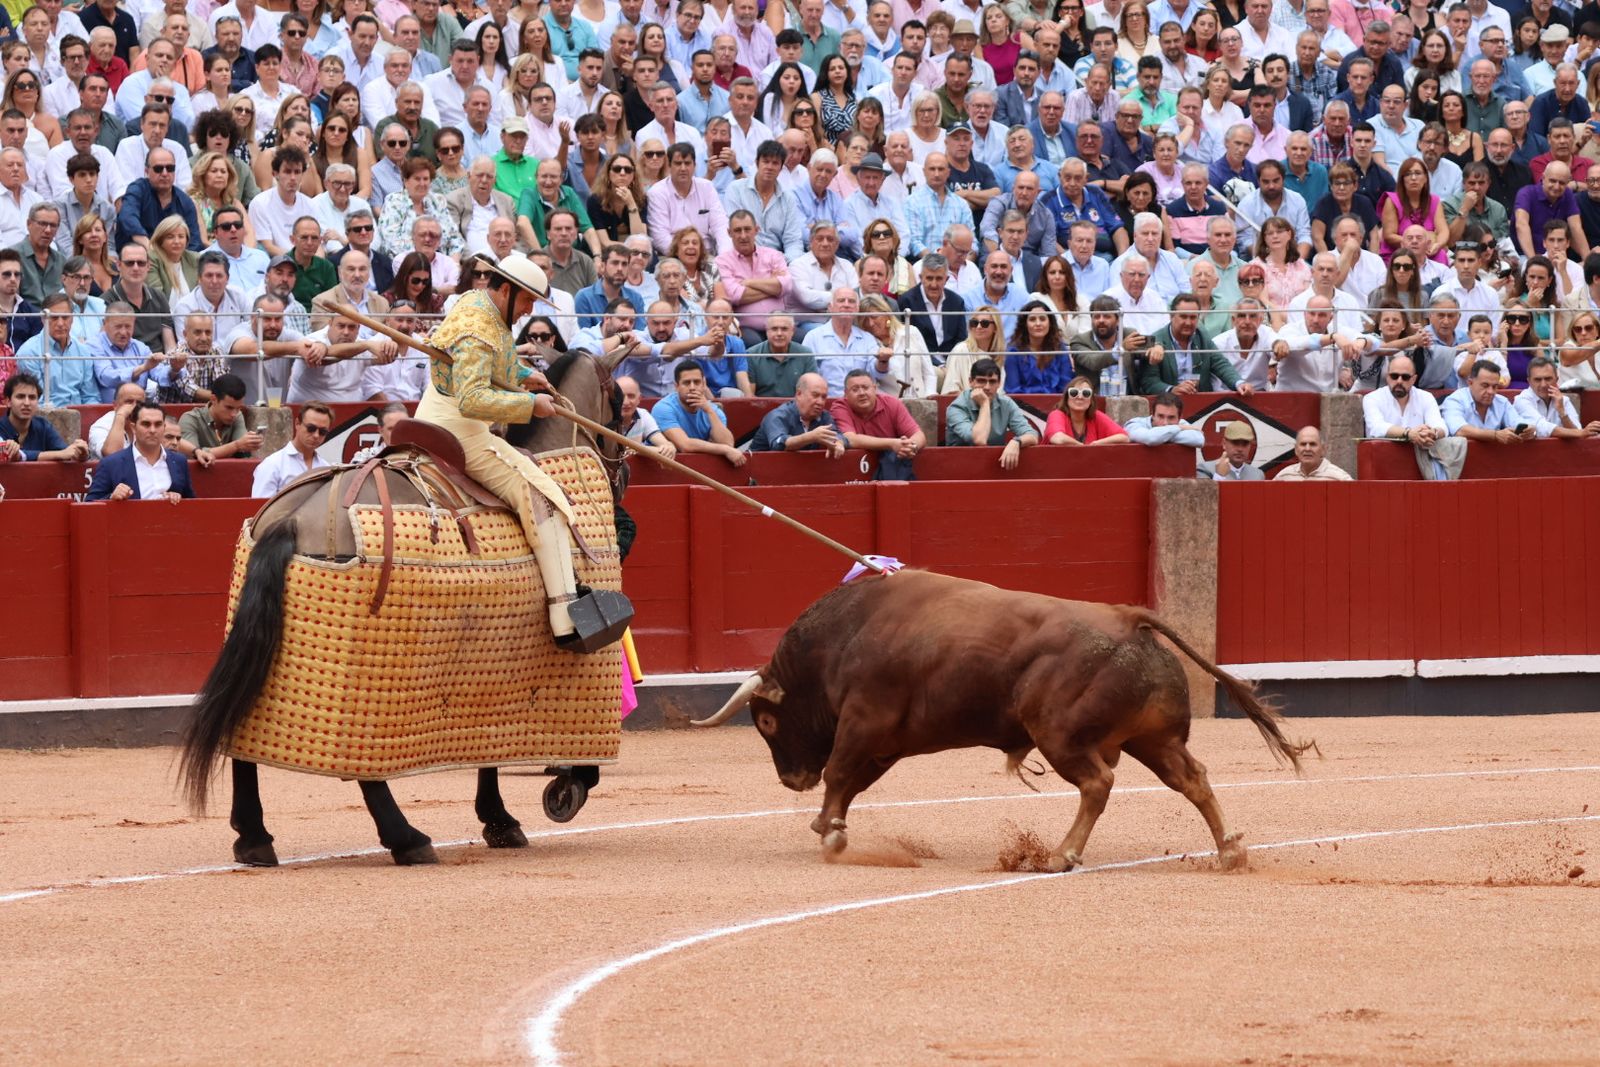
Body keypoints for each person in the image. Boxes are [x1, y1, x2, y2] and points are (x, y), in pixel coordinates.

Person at [417, 251, 633, 650]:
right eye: (529, 300)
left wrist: (522, 374)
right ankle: (564, 618)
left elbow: (491, 365)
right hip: (460, 430)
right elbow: (472, 399)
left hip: (437, 413)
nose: (529, 311)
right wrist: (530, 406)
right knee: (542, 496)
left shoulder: (477, 302)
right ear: (505, 290)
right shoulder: (478, 329)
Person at [1137, 293, 1253, 394]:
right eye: (1183, 316)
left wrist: (1239, 383)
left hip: (1199, 402)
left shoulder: (1201, 335)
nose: (1188, 322)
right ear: (1171, 316)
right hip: (1168, 403)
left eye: (1193, 317)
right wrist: (1172, 390)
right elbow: (1149, 381)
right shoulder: (1157, 340)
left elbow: (1220, 363)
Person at [85, 400, 193, 503]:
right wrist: (111, 498)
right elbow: (90, 504)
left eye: (158, 424)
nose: (152, 430)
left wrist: (178, 499)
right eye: (146, 424)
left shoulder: (179, 461)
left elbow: (191, 503)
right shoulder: (111, 464)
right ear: (133, 428)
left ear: (164, 428)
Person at [828, 367, 925, 478]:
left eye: (866, 388)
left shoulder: (892, 404)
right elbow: (850, 439)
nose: (862, 393)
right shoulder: (840, 407)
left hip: (892, 470)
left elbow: (919, 435)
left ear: (875, 389)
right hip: (852, 472)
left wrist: (911, 447)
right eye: (855, 389)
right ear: (845, 394)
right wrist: (892, 444)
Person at [944, 357, 1038, 468]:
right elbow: (980, 440)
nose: (987, 387)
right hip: (960, 466)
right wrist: (985, 404)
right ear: (971, 382)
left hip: (995, 465)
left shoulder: (1006, 403)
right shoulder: (956, 408)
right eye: (981, 381)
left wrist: (1017, 441)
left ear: (999, 383)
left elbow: (1032, 435)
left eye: (992, 381)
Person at [652, 358, 746, 466]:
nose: (692, 387)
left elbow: (727, 444)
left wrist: (709, 410)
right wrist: (725, 449)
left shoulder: (714, 411)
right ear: (676, 386)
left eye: (697, 382)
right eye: (686, 383)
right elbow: (685, 445)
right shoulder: (664, 408)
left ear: (704, 384)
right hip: (662, 467)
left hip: (700, 466)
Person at [0, 371, 89, 462]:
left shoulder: (43, 426)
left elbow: (65, 452)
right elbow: (62, 453)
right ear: (8, 401)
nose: (27, 403)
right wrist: (59, 454)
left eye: (32, 397)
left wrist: (79, 453)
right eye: (20, 397)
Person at [751, 371, 845, 455]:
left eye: (823, 397)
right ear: (799, 394)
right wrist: (812, 436)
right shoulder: (778, 416)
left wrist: (839, 442)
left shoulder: (824, 416)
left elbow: (839, 435)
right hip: (758, 466)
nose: (820, 402)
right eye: (815, 395)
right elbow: (779, 444)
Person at [251, 400, 333, 497]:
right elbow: (260, 505)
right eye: (311, 428)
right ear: (297, 424)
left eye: (323, 432)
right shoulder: (272, 465)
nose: (316, 435)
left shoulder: (326, 468)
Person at [1441, 358, 1535, 442]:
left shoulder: (1502, 402)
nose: (1491, 391)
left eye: (1495, 386)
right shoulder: (1454, 400)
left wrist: (1529, 429)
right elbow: (1460, 430)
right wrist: (1495, 435)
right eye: (1485, 386)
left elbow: (1517, 422)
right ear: (1470, 383)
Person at [178, 372, 261, 461]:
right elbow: (194, 455)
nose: (234, 414)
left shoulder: (237, 415)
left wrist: (251, 442)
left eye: (238, 408)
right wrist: (236, 445)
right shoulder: (190, 419)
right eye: (229, 408)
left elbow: (243, 449)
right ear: (213, 399)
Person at [1515, 355, 1600, 437]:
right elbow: (1541, 427)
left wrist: (1562, 413)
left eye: (1548, 379)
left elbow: (1576, 432)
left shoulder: (1563, 400)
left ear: (1556, 379)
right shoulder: (1522, 400)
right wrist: (1581, 432)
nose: (1543, 384)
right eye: (1537, 380)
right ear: (1529, 381)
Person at [1045, 376, 1127, 445]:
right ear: (1067, 398)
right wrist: (1082, 447)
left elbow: (1124, 437)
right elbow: (1058, 438)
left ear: (1091, 400)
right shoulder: (1057, 415)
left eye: (1086, 393)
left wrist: (1097, 443)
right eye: (1074, 393)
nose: (1080, 397)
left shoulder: (1096, 416)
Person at [1124, 389, 1206, 447]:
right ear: (1153, 414)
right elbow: (1151, 438)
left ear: (1180, 418)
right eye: (1160, 416)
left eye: (1171, 417)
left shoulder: (1181, 423)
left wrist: (1162, 436)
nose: (1165, 423)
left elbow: (1199, 440)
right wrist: (1179, 428)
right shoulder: (1134, 424)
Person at [1273, 425, 1353, 480]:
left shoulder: (1339, 478)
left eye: (1313, 444)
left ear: (1323, 449)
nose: (1307, 449)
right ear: (1296, 450)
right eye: (1303, 444)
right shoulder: (1284, 476)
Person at [1200, 420, 1266, 480]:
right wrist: (1219, 476)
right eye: (1235, 443)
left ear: (1250, 446)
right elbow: (1203, 490)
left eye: (1245, 444)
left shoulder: (1258, 475)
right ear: (1224, 444)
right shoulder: (1205, 469)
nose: (1240, 449)